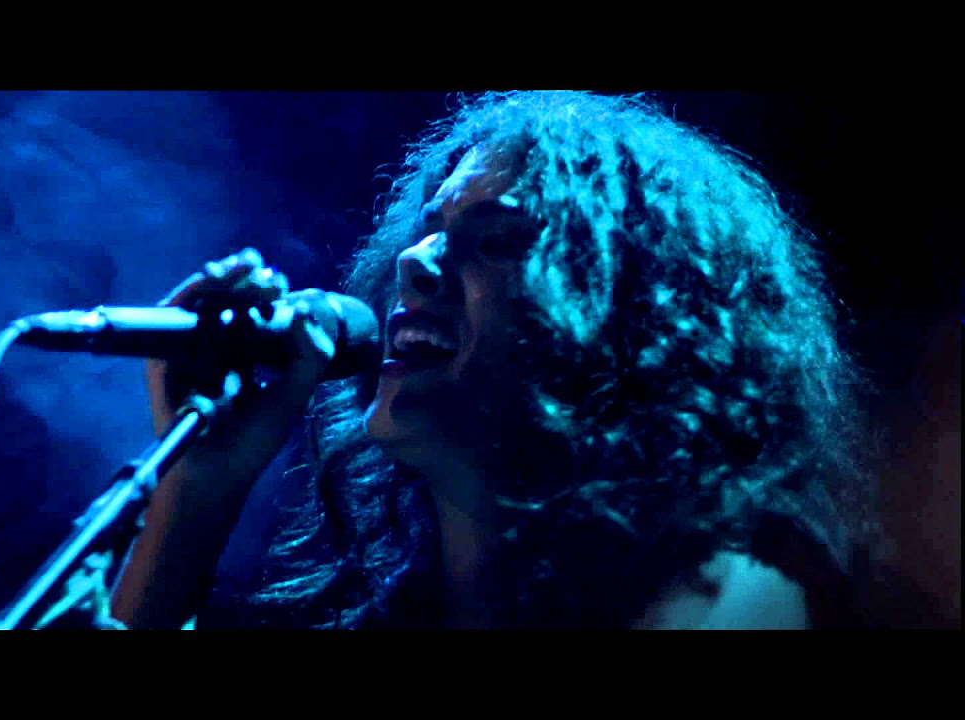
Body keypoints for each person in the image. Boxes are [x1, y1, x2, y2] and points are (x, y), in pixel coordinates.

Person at [108, 91, 877, 629]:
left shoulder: (727, 601)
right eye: (427, 229)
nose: (414, 261)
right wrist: (196, 491)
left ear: (634, 321)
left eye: (497, 241)